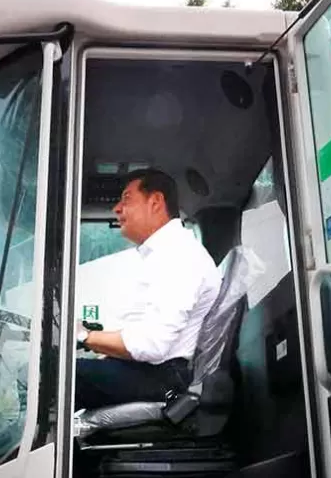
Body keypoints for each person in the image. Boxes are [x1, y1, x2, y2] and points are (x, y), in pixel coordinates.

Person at [74, 168, 222, 411]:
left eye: (127, 199)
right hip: (154, 370)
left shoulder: (179, 255)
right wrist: (95, 339)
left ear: (155, 202)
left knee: (53, 377)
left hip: (162, 377)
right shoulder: (168, 253)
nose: (117, 209)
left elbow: (152, 345)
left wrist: (84, 337)